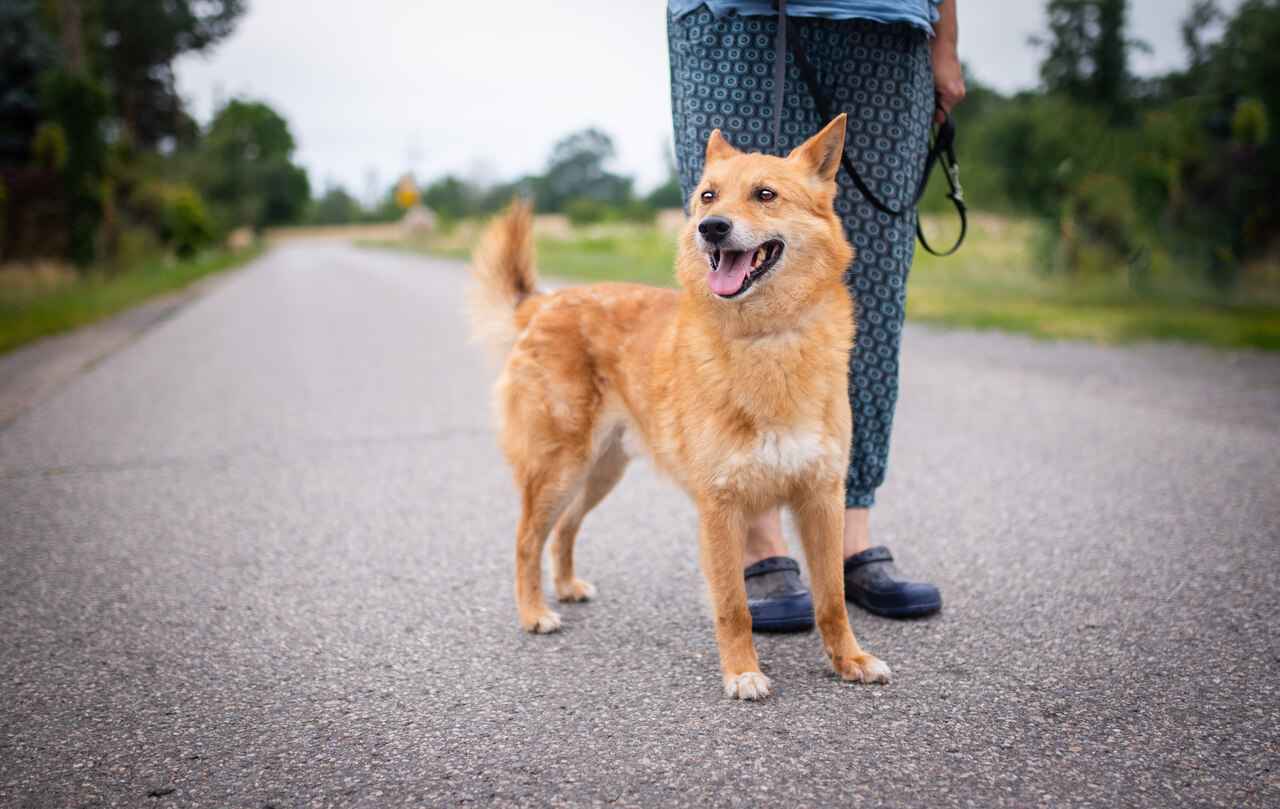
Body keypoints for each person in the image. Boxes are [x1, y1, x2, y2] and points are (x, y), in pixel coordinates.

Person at [666, 0, 964, 630]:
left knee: (872, 283)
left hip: (886, 23)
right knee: (731, 234)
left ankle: (849, 532)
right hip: (738, 18)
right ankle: (761, 543)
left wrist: (946, 40)